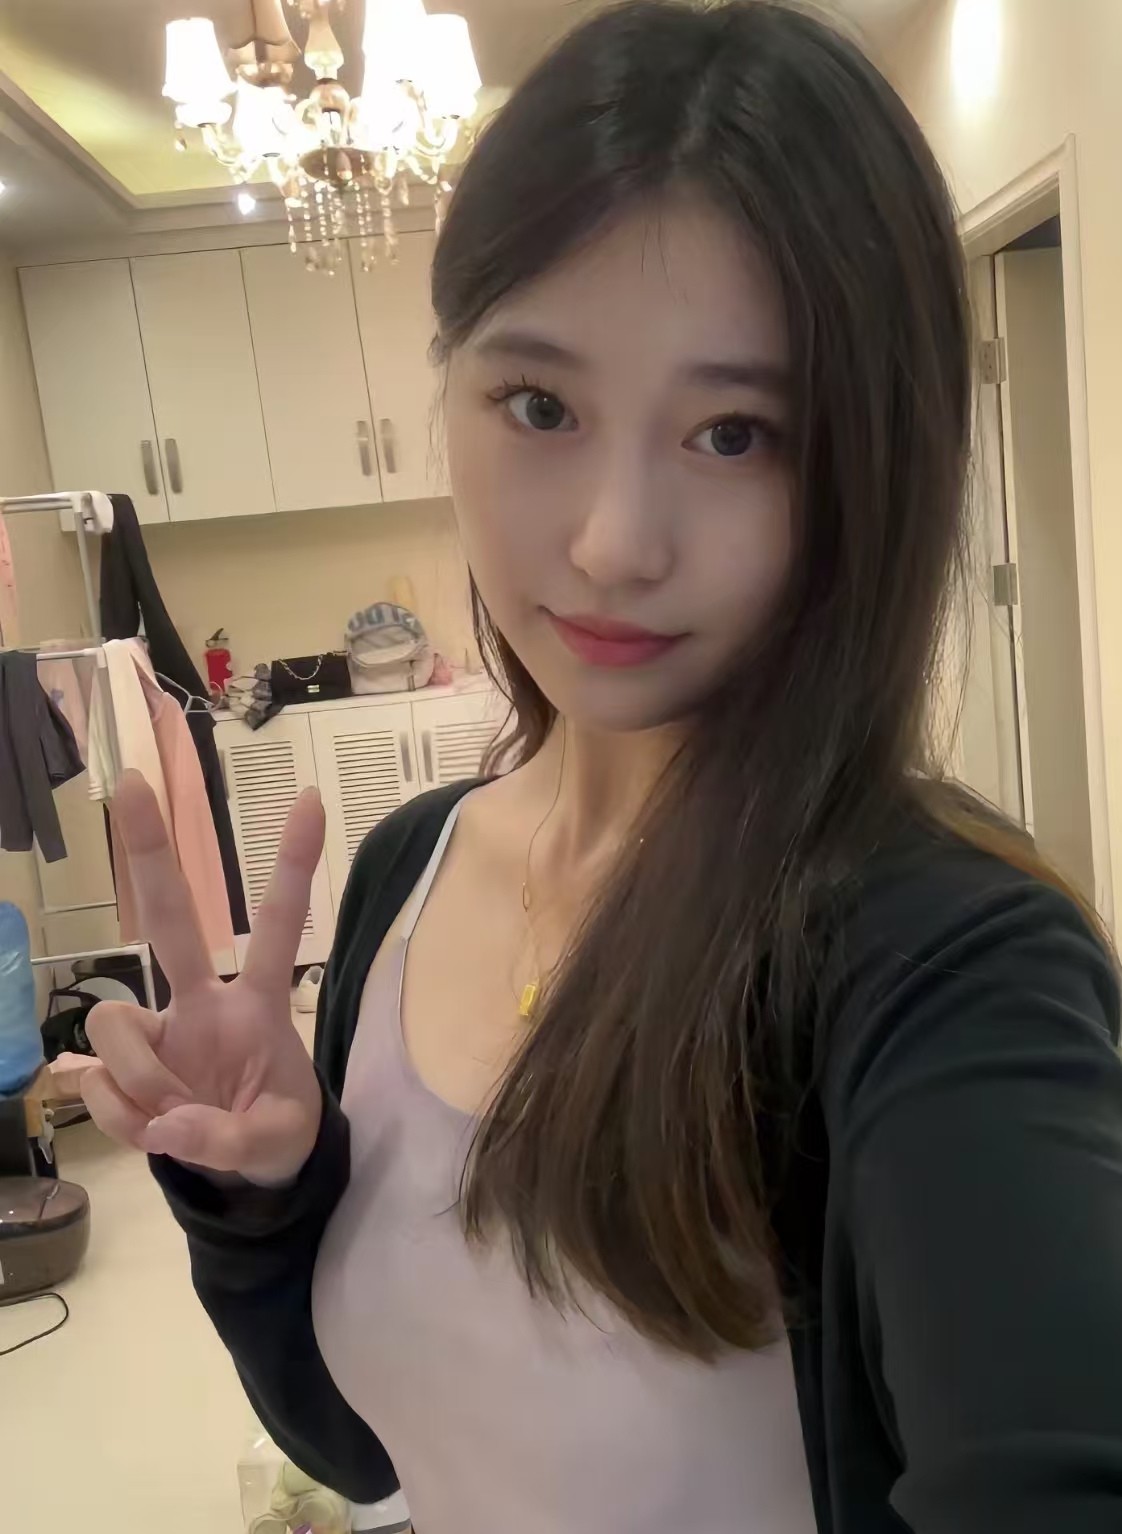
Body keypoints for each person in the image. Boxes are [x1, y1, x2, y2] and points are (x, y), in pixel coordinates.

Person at [81, 3, 1122, 1531]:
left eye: (735, 432)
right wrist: (261, 1193)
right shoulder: (405, 868)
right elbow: (366, 1445)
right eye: (541, 405)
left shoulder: (941, 960)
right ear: (448, 389)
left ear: (868, 463)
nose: (614, 541)